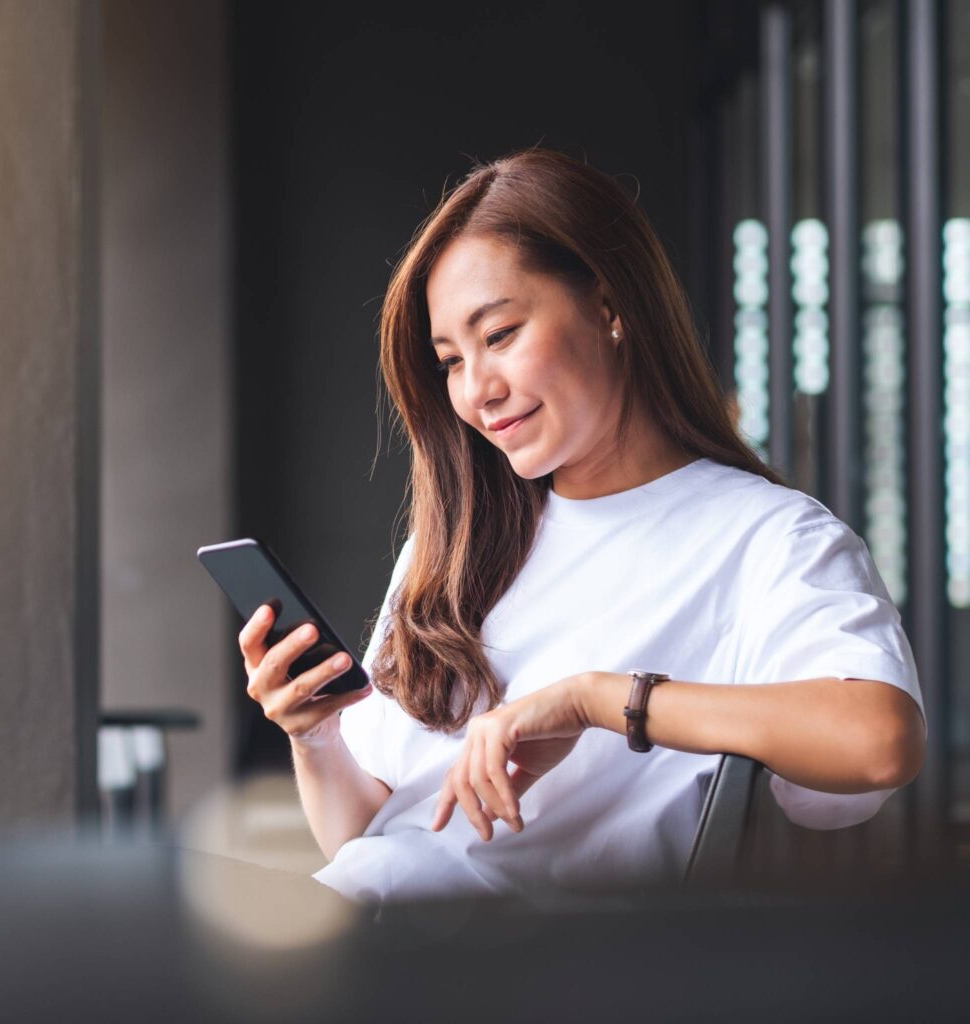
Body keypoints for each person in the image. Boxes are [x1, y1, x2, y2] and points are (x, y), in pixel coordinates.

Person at [238, 148, 927, 904]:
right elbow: (367, 837)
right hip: (363, 934)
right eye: (450, 361)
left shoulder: (766, 540)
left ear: (608, 307)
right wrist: (315, 735)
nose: (477, 392)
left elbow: (879, 741)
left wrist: (598, 701)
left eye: (499, 336)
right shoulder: (456, 547)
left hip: (508, 974)